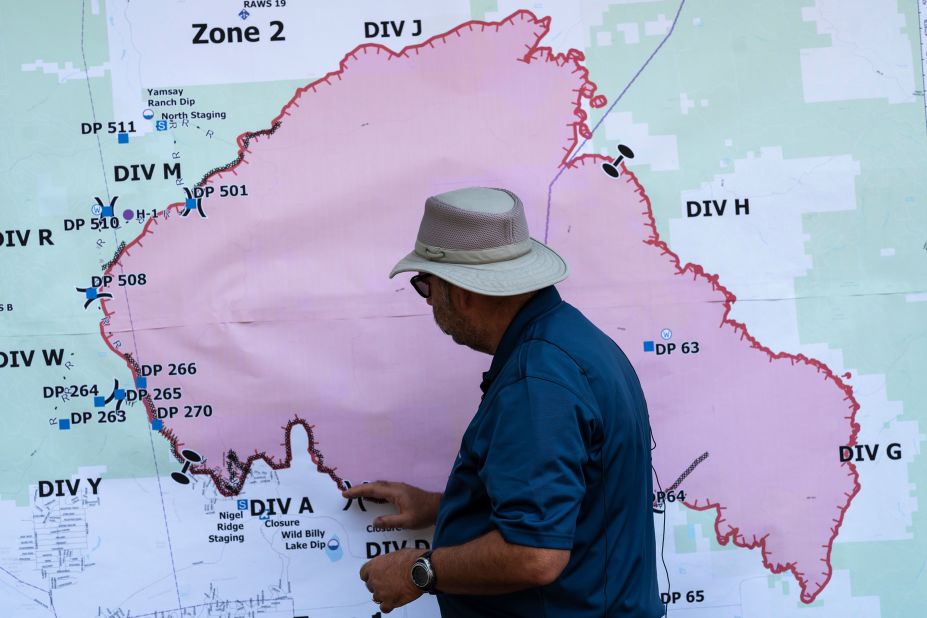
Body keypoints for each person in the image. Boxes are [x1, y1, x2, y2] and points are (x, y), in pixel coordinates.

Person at [344, 187, 663, 616]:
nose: (428, 300)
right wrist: (445, 507)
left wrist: (416, 570)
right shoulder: (574, 343)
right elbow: (573, 502)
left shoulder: (537, 382)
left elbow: (534, 555)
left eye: (426, 285)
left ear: (460, 291)